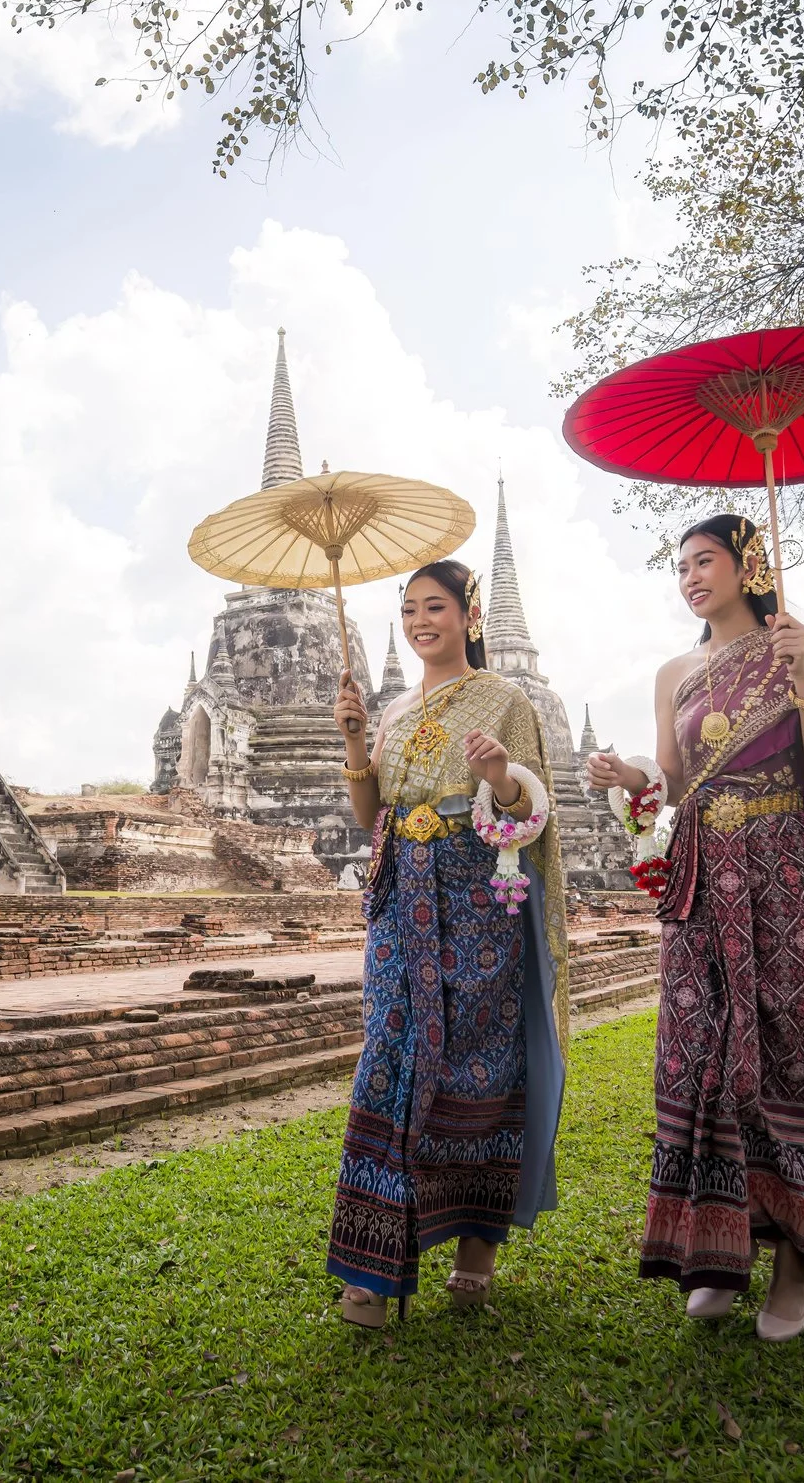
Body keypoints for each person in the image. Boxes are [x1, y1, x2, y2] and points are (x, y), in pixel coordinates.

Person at [586, 515, 804, 1341]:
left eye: (706, 561)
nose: (692, 577)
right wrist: (626, 776)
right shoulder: (676, 672)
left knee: (791, 1046)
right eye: (682, 566)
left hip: (783, 870)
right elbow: (669, 785)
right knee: (701, 1052)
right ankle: (718, 1250)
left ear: (748, 564)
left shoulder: (797, 649)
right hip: (701, 879)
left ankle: (794, 1263)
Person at [325, 559, 570, 1327]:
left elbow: (532, 812)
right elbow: (372, 811)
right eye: (408, 609)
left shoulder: (505, 698)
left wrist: (499, 774)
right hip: (403, 896)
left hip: (479, 900)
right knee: (388, 1053)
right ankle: (370, 1263)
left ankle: (476, 1247)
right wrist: (357, 741)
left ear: (469, 613)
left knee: (479, 1060)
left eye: (435, 606)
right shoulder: (394, 709)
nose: (420, 620)